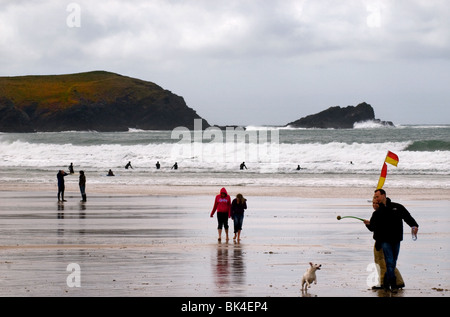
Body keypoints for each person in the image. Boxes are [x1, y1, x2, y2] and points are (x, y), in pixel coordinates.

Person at [364, 189, 419, 292]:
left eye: (377, 197)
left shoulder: (397, 207)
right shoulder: (377, 213)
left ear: (383, 195)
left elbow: (407, 217)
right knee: (389, 261)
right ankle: (393, 285)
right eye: (374, 198)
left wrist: (414, 225)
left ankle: (385, 283)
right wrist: (368, 225)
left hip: (396, 239)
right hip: (384, 241)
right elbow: (373, 227)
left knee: (393, 262)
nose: (375, 199)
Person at [365, 199, 405, 289]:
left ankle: (385, 283)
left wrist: (368, 224)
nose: (374, 205)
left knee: (382, 262)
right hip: (386, 241)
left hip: (381, 242)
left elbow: (373, 228)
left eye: (376, 203)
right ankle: (398, 282)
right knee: (389, 263)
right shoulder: (385, 212)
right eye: (373, 203)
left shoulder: (377, 214)